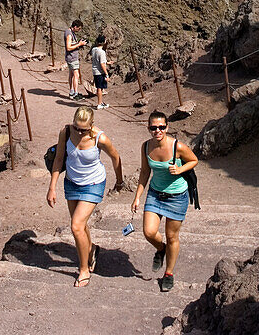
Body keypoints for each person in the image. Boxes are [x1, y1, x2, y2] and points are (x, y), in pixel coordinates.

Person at [46, 107, 124, 288]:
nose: (80, 132)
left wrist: (120, 181)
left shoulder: (100, 138)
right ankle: (91, 251)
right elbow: (58, 159)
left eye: (84, 129)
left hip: (93, 183)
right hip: (72, 182)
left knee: (76, 226)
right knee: (81, 225)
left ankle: (84, 270)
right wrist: (52, 187)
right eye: (77, 128)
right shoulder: (65, 132)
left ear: (92, 125)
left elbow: (116, 157)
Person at [131, 111, 198, 292]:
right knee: (149, 232)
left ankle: (168, 273)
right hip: (155, 193)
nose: (157, 131)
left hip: (177, 196)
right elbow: (145, 172)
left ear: (167, 127)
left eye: (161, 127)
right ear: (149, 129)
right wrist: (137, 196)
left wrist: (180, 168)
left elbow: (194, 160)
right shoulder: (146, 147)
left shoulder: (178, 146)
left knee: (172, 236)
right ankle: (161, 250)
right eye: (153, 127)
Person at [65, 20, 88, 100]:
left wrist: (79, 44)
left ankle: (72, 92)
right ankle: (75, 93)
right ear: (75, 27)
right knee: (76, 75)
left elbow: (71, 44)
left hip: (71, 57)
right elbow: (68, 47)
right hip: (72, 57)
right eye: (79, 28)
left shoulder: (70, 32)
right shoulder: (69, 34)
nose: (79, 30)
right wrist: (79, 44)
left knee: (71, 75)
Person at [90, 36, 110, 110]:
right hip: (100, 72)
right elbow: (102, 64)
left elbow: (98, 60)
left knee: (100, 87)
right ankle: (99, 104)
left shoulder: (94, 49)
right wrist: (106, 74)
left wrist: (107, 62)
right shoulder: (102, 52)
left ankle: (101, 102)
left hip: (95, 71)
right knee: (99, 87)